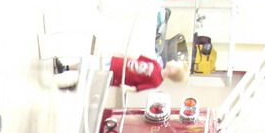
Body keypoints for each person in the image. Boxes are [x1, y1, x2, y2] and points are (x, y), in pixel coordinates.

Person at [54, 55, 189, 91]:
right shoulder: (156, 64)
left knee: (93, 72)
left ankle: (75, 84)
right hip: (116, 63)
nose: (173, 60)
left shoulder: (156, 81)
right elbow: (136, 58)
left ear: (173, 70)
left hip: (117, 75)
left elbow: (138, 88)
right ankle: (65, 68)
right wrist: (120, 54)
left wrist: (127, 88)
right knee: (91, 61)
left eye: (175, 62)